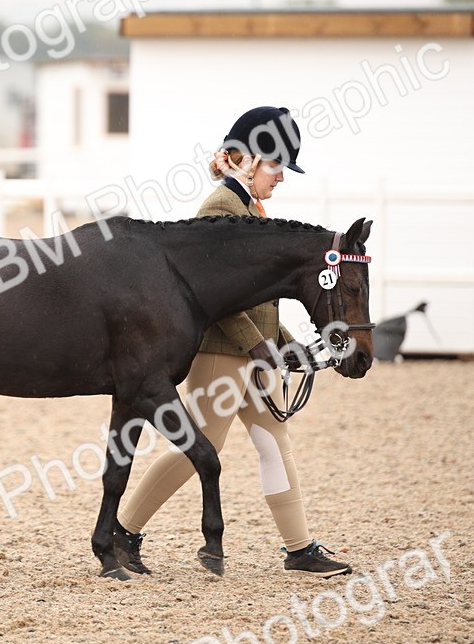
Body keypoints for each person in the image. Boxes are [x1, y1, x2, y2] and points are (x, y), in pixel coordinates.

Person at [113, 106, 352, 578]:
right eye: (275, 166)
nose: (281, 177)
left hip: (253, 355)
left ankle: (299, 548)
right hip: (222, 353)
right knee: (199, 445)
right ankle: (123, 530)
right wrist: (258, 344)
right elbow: (213, 295)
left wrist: (285, 343)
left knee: (273, 442)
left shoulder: (253, 211)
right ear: (245, 161)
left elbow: (258, 295)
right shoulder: (220, 208)